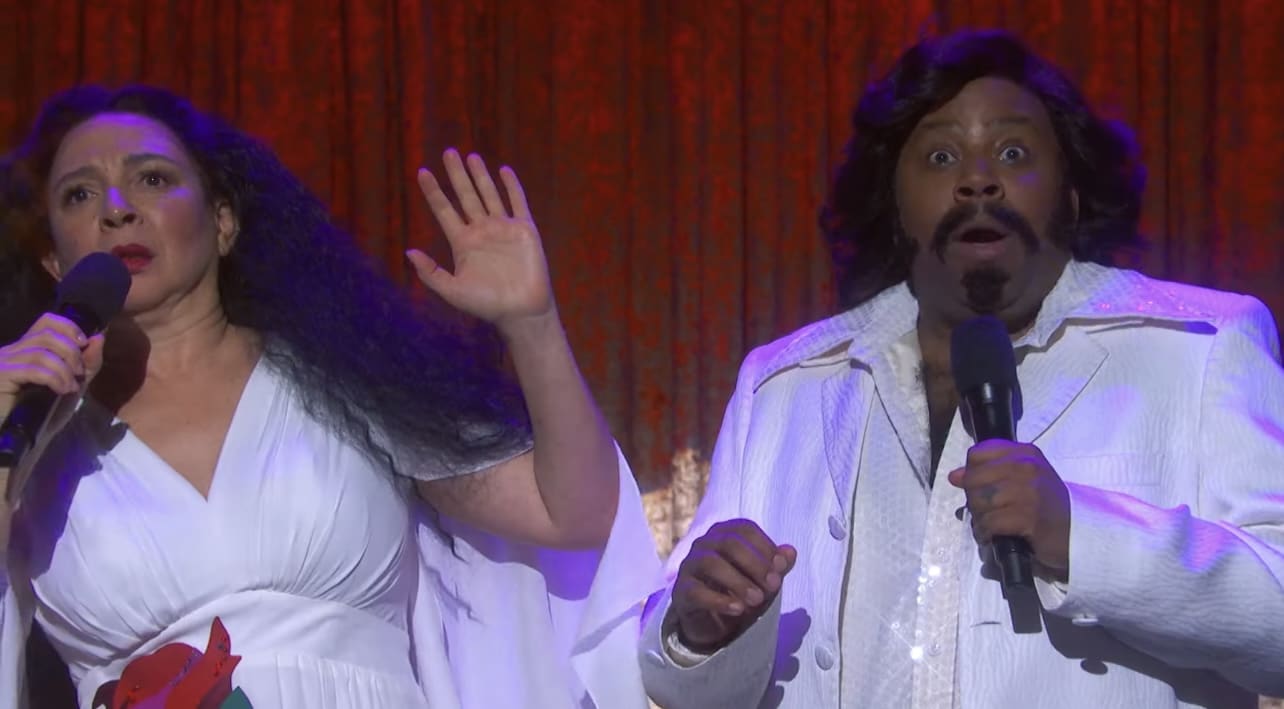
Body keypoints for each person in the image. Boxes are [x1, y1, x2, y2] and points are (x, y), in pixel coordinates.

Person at [639, 29, 1284, 709]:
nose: (978, 179)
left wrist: (1082, 536)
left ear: (1069, 194)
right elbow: (676, 677)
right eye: (941, 156)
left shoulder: (1198, 346)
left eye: (1013, 152)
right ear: (895, 203)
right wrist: (699, 631)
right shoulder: (785, 385)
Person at [0, 84, 660, 708]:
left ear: (223, 221)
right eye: (79, 195)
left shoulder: (346, 378)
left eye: (152, 179)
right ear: (55, 260)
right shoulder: (31, 436)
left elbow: (574, 513)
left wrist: (532, 324)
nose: (116, 207)